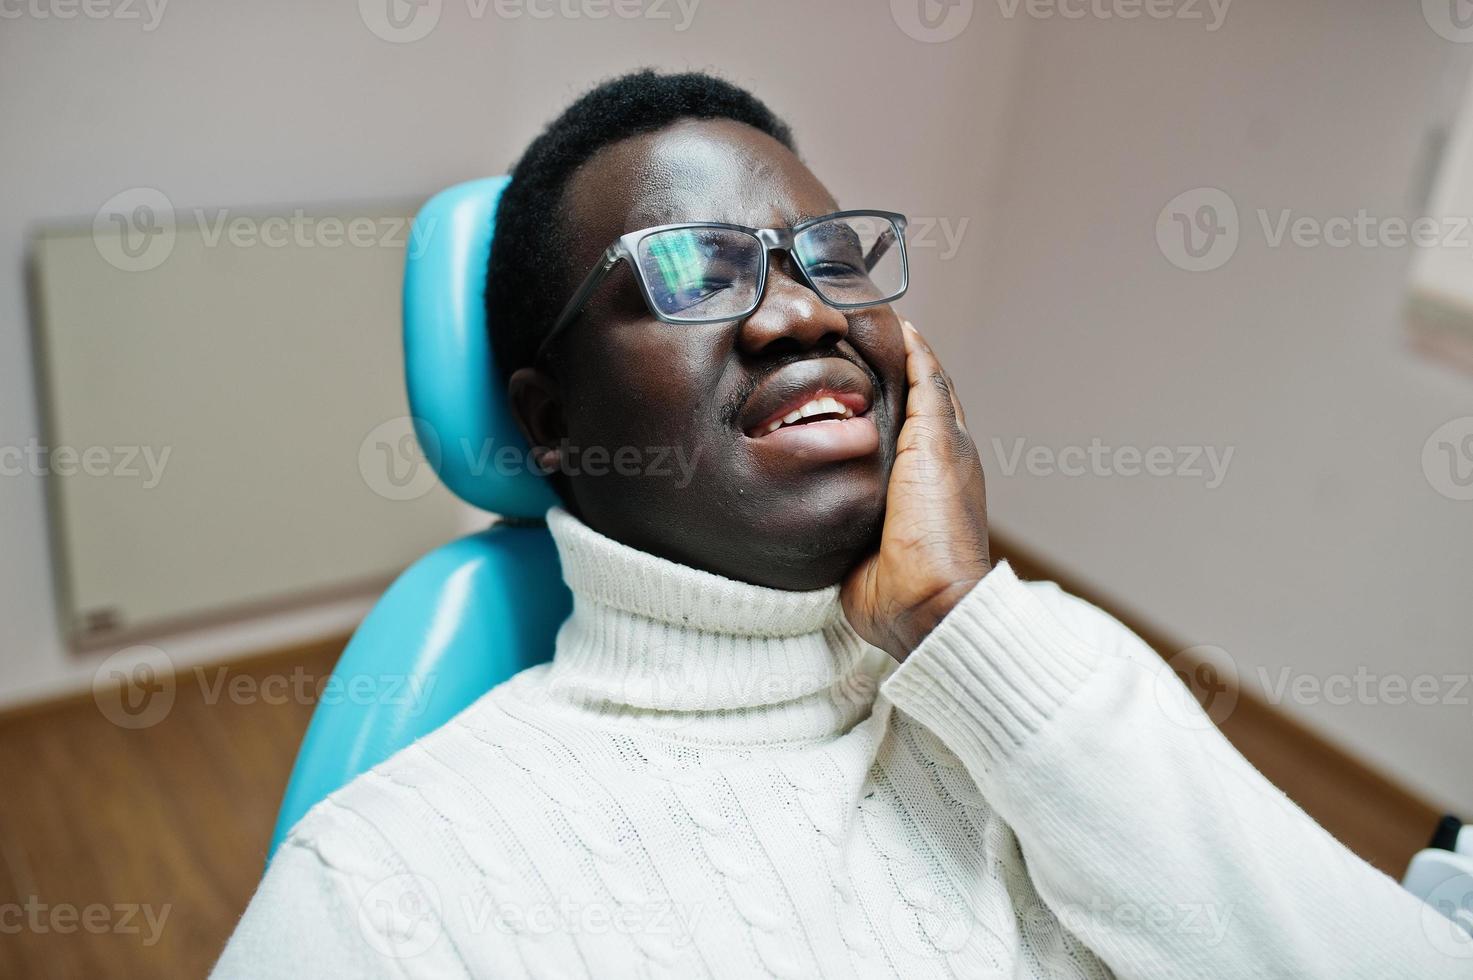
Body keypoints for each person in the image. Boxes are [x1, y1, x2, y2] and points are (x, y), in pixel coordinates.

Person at [212, 69, 1459, 978]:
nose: (801, 311)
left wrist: (966, 628)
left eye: (828, 256)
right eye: (695, 270)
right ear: (550, 420)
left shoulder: (1038, 664)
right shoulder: (386, 893)